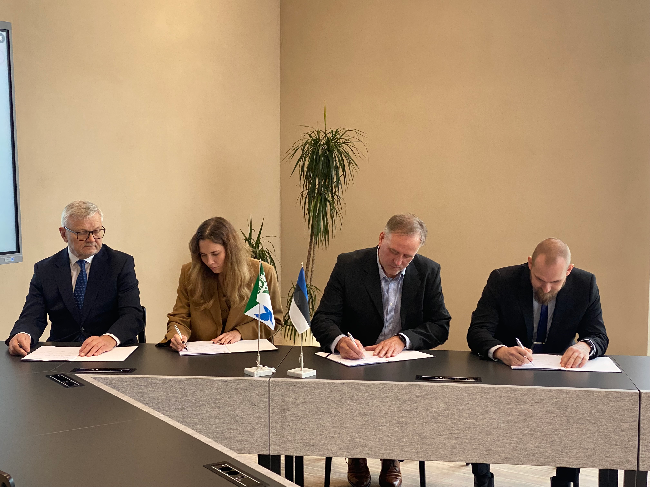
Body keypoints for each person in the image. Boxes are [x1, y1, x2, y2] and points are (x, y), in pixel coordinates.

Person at [311, 214, 451, 487]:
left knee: (401, 393)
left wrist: (403, 339)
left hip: (403, 361)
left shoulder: (428, 271)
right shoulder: (349, 265)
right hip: (358, 359)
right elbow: (323, 318)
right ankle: (357, 453)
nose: (398, 262)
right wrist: (339, 341)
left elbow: (440, 325)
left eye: (407, 256)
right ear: (381, 238)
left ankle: (391, 456)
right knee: (357, 391)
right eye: (393, 252)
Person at [466, 237, 609, 487]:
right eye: (540, 280)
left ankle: (566, 479)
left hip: (559, 370)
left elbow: (598, 335)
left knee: (575, 410)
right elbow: (478, 331)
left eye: (556, 282)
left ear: (569, 270)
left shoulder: (585, 284)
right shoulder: (502, 280)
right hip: (509, 369)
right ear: (530, 264)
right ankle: (483, 476)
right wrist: (500, 351)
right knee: (481, 405)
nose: (546, 288)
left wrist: (585, 346)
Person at [6, 200, 144, 357]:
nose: (91, 239)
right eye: (82, 233)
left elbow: (133, 315)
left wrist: (109, 338)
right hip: (61, 353)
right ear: (63, 234)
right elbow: (32, 315)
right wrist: (23, 334)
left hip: (112, 353)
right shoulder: (45, 269)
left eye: (96, 231)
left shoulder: (120, 263)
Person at [160, 217, 282, 350]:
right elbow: (179, 317)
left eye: (215, 254)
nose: (209, 261)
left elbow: (273, 320)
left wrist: (240, 333)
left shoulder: (262, 272)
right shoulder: (189, 273)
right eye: (203, 255)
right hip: (202, 356)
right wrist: (177, 335)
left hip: (247, 355)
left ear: (231, 250)